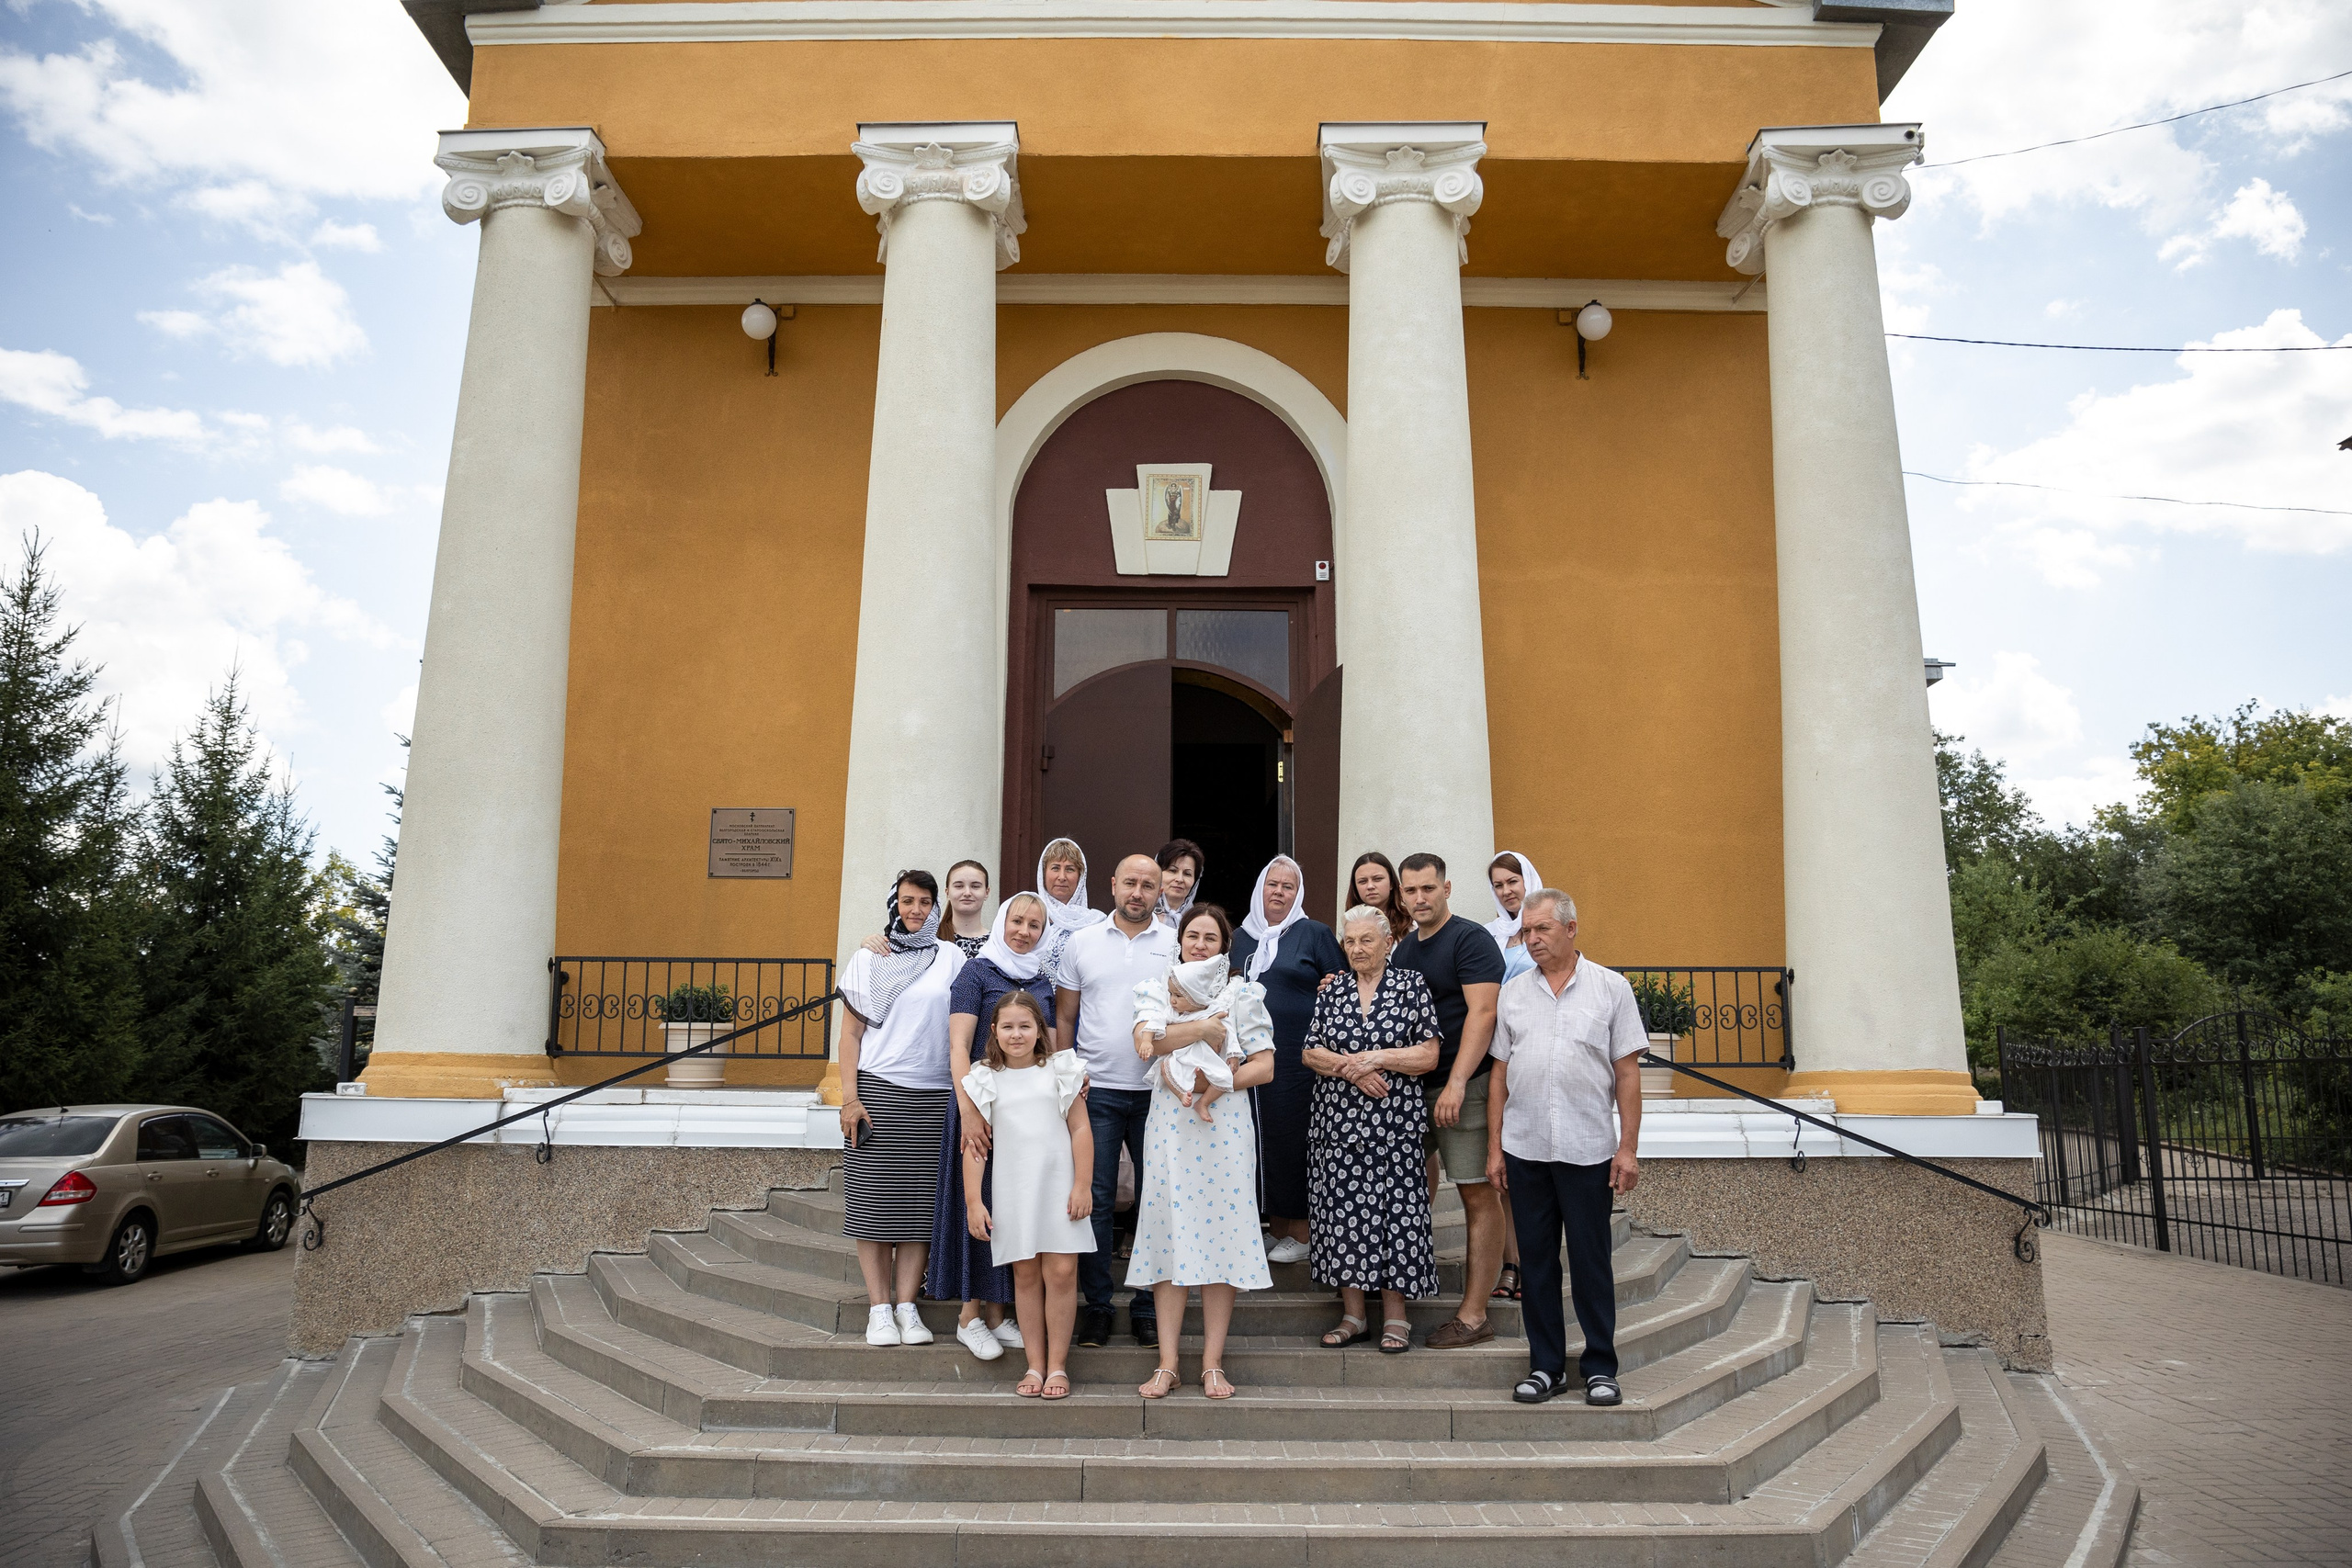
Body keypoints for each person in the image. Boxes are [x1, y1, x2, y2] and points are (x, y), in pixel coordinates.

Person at [1486, 889, 1645, 1406]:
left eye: (1541, 930)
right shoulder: (1514, 994)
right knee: (1535, 1263)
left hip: (1588, 1150)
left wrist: (1628, 1149)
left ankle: (1600, 1367)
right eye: (1526, 931)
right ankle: (1546, 1367)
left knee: (1590, 1259)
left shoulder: (1611, 989)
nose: (1530, 940)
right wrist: (1494, 1149)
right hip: (1525, 1149)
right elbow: (1499, 1076)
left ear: (1571, 929)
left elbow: (1627, 1074)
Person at [1126, 904, 1278, 1400]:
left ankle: (1212, 1362)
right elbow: (1145, 1043)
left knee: (1220, 1239)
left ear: (1224, 947)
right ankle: (1168, 1363)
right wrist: (1204, 1030)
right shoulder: (1156, 990)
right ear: (1179, 939)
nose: (1199, 944)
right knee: (1170, 1237)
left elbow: (1265, 1067)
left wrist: (1212, 1081)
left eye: (1210, 938)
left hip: (1224, 1129)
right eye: (1192, 935)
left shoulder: (1243, 995)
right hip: (1169, 1128)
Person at [1304, 904, 1442, 1354]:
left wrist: (1379, 1058)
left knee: (1394, 1217)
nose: (1357, 948)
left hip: (1394, 1128)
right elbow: (1310, 1052)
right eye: (1350, 941)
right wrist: (1351, 1069)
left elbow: (1428, 1055)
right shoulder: (1333, 990)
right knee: (1341, 1215)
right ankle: (1353, 1316)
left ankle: (1396, 1318)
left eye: (1367, 940)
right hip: (1337, 1128)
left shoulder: (1410, 985)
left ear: (1387, 942)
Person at [1053, 853, 1178, 1348]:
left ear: (1159, 891)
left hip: (1160, 1091)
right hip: (1095, 1090)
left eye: (1149, 885)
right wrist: (1067, 1078)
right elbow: (1065, 1019)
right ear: (1111, 884)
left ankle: (1148, 1306)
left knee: (1155, 1201)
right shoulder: (1080, 943)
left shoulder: (1175, 944)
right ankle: (1098, 1306)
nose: (1138, 893)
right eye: (1130, 882)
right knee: (1095, 1200)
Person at [836, 871, 966, 1347]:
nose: (916, 910)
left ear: (937, 907)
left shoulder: (951, 957)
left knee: (918, 1210)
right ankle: (878, 1310)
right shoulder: (869, 956)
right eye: (907, 901)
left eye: (925, 902)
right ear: (895, 904)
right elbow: (850, 1035)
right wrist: (850, 1099)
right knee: (874, 1207)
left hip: (934, 1096)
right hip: (878, 1092)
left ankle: (908, 1306)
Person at [928, 893, 1057, 1360]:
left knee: (1012, 1211)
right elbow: (959, 1046)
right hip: (977, 1106)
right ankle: (969, 1316)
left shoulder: (1043, 981)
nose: (1024, 931)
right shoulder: (975, 972)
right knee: (977, 1209)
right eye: (1017, 921)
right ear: (1002, 921)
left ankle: (1000, 1315)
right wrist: (969, 1109)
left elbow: (1050, 1050)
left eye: (1035, 925)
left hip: (1025, 1113)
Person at [1392, 852, 1508, 1348]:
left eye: (1428, 889)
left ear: (1447, 888)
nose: (1420, 898)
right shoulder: (1402, 951)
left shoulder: (1470, 939)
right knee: (1396, 1187)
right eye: (1411, 891)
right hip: (1414, 1089)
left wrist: (1459, 1082)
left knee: (1477, 1193)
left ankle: (1474, 1315)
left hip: (1467, 1087)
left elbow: (1483, 1014)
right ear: (1402, 895)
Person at [961, 989, 1095, 1401]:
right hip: (1014, 1189)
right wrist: (973, 1201)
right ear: (994, 1031)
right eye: (1008, 1027)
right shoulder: (984, 1077)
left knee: (1060, 1273)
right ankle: (1034, 1364)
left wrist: (1082, 1184)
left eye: (1025, 1026)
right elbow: (975, 1147)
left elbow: (1080, 1129)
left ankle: (1058, 1364)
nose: (1016, 1034)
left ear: (1040, 1030)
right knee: (1025, 1274)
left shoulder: (1061, 1069)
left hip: (1059, 1186)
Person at [1230, 854, 1346, 1263]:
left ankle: (1300, 1230)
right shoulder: (1240, 937)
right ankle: (1271, 1228)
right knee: (1255, 1141)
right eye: (1272, 885)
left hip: (1298, 1059)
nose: (1279, 892)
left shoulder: (1314, 933)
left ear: (1298, 894)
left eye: (1288, 887)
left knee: (1292, 1140)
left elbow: (1343, 988)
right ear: (1260, 888)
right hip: (1247, 1060)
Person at [860, 859, 992, 959]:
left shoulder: (998, 943)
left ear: (987, 892)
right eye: (959, 886)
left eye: (975, 886)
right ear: (947, 892)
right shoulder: (926, 937)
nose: (967, 892)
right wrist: (869, 944)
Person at [1035, 838, 1104, 984]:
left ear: (1080, 876)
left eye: (1070, 869)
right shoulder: (1030, 916)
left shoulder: (1097, 923)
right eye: (1055, 868)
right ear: (1043, 874)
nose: (1062, 877)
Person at [1485, 852, 1543, 986]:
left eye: (1512, 882)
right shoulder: (1488, 933)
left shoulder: (1549, 928)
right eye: (1498, 885)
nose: (1506, 891)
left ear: (1528, 881)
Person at [1347, 851, 1412, 942]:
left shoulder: (1412, 923)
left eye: (1377, 879)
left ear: (1391, 883)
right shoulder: (1349, 924)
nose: (1370, 886)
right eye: (1363, 881)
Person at [1153, 838, 1205, 930]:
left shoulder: (1199, 921)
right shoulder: (1142, 916)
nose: (1180, 879)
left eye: (1187, 874)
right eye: (1172, 871)